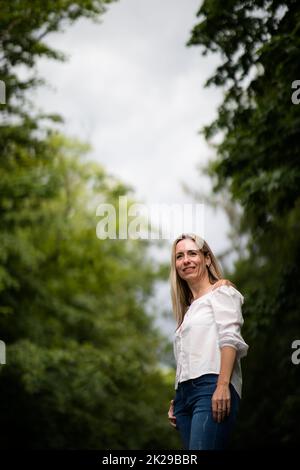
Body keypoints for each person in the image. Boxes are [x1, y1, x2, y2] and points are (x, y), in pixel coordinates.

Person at [167, 233, 249, 450]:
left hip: (211, 388)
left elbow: (230, 339)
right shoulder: (187, 310)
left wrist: (222, 385)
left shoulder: (222, 292)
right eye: (179, 256)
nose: (186, 260)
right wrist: (178, 397)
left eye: (192, 253)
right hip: (184, 399)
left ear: (207, 259)